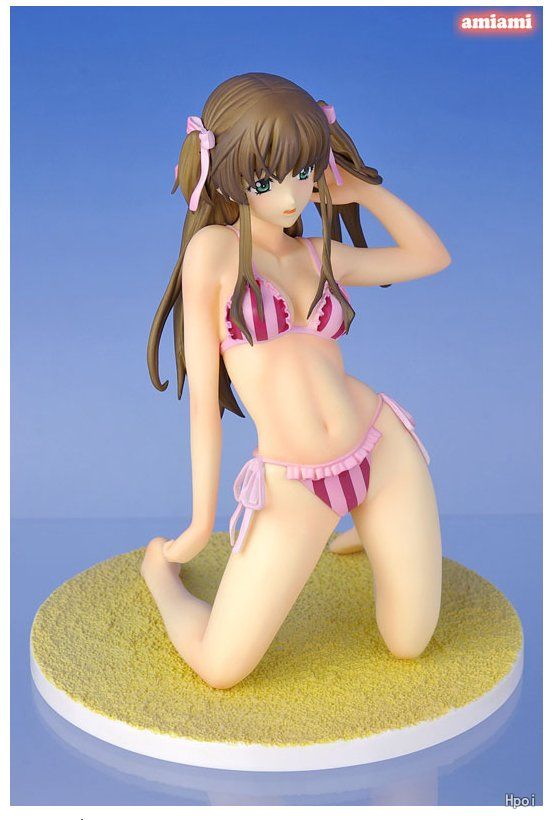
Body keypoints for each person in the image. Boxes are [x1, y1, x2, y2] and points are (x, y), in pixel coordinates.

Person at [141, 72, 451, 690]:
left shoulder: (317, 254)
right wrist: (200, 523)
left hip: (379, 448)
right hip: (293, 483)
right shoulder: (213, 253)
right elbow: (203, 406)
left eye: (304, 172)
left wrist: (364, 192)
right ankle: (158, 578)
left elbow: (430, 257)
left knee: (410, 641)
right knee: (221, 668)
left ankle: (370, 519)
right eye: (266, 180)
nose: (291, 196)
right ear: (226, 173)